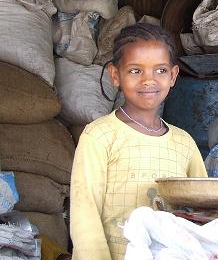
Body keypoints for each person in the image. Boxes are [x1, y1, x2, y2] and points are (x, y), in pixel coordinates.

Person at [70, 23, 208, 260]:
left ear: (173, 76)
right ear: (116, 75)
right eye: (135, 70)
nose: (149, 80)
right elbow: (85, 215)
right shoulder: (100, 136)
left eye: (160, 71)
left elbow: (203, 206)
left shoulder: (184, 143)